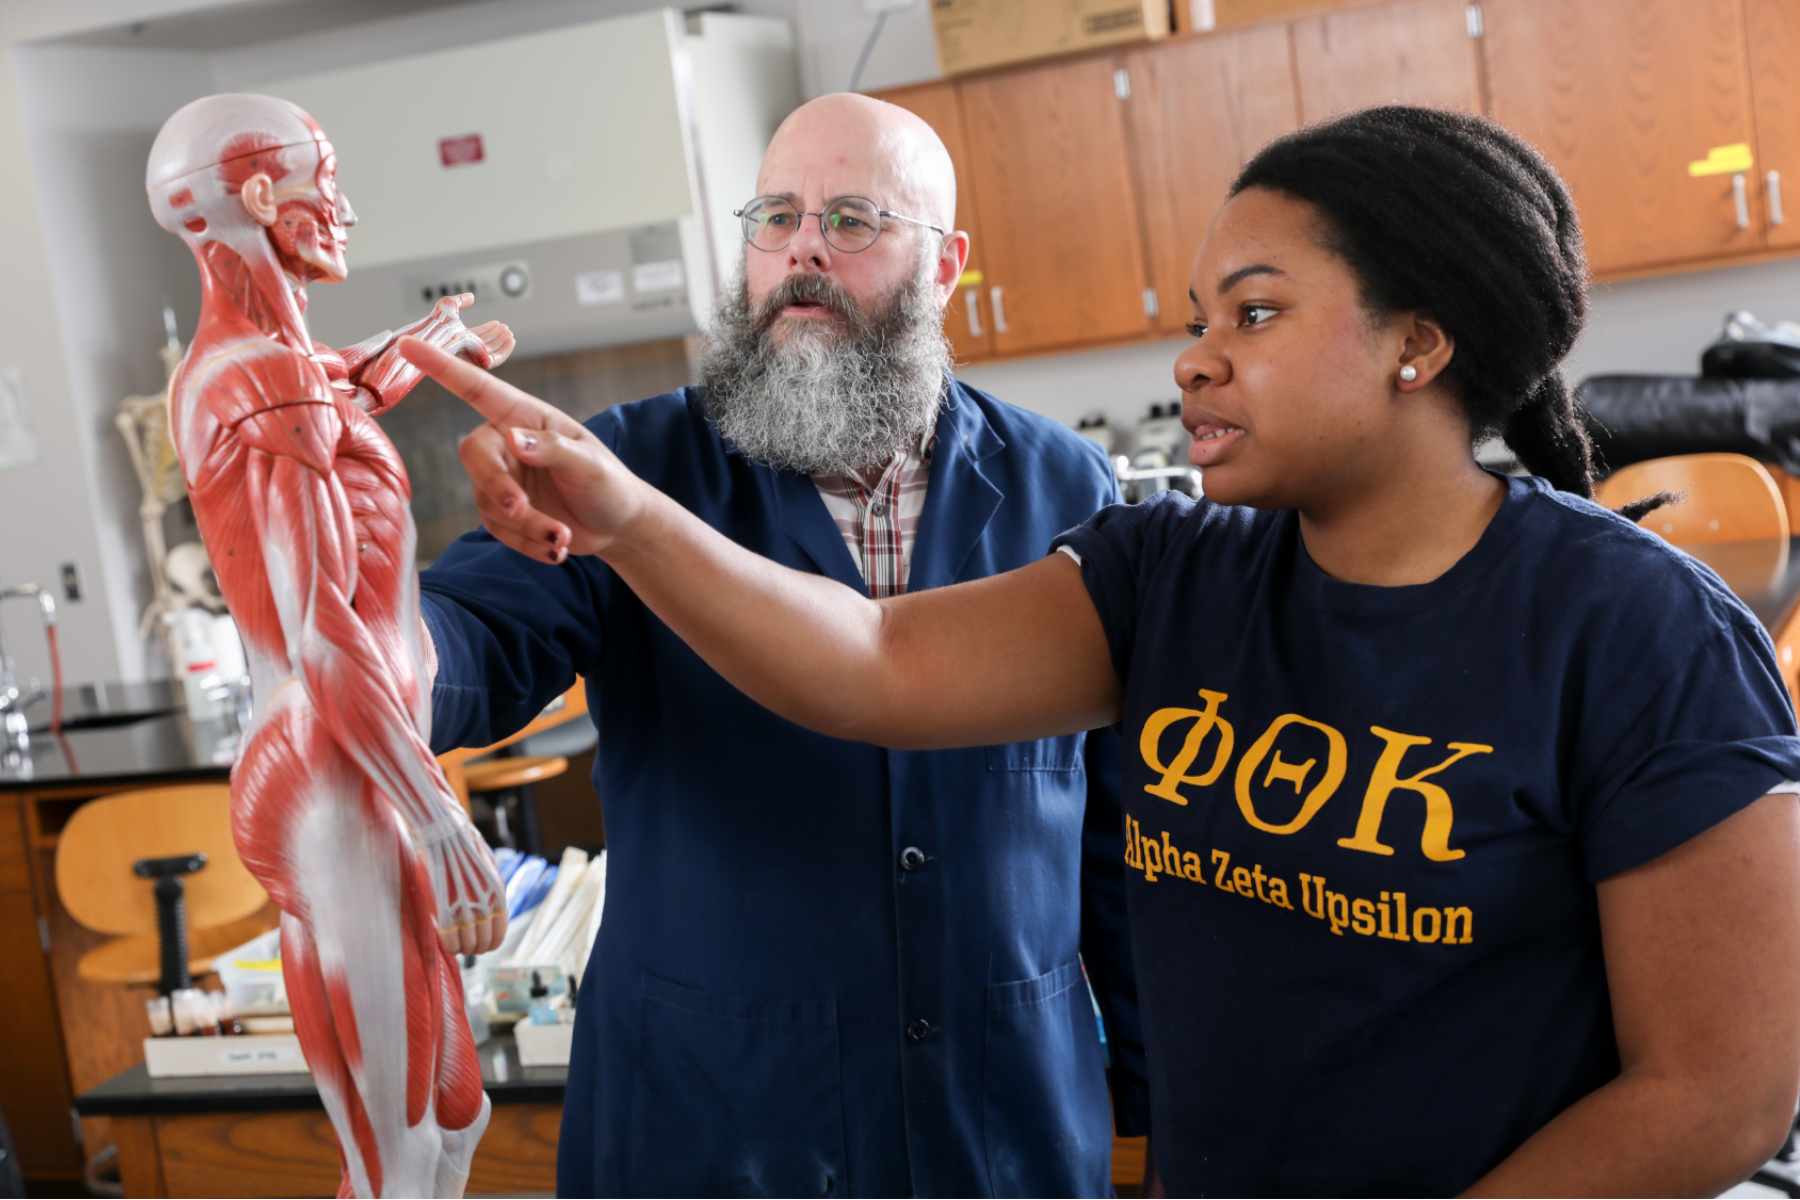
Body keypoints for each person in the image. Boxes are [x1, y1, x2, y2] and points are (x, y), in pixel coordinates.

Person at [404, 105, 1800, 1198]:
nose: (1194, 359)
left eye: (1249, 314)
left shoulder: (1634, 630)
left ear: (1417, 345)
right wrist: (585, 528)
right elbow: (875, 664)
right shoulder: (1168, 571)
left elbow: (1727, 1087)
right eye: (1200, 318)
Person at [414, 94, 1146, 1197]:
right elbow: (464, 647)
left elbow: (1122, 832)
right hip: (716, 1120)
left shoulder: (1067, 484)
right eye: (776, 215)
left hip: (1004, 1126)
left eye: (853, 219)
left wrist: (1156, 1094)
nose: (803, 246)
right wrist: (344, 590)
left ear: (944, 266)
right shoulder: (629, 467)